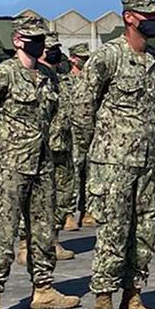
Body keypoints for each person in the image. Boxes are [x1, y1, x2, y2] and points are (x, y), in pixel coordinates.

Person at [0, 16, 79, 309]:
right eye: (32, 38)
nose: (39, 43)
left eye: (42, 37)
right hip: (8, 168)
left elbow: (52, 113)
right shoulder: (3, 74)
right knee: (3, 235)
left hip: (41, 165)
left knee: (42, 231)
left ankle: (43, 289)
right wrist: (1, 134)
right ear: (17, 39)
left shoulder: (47, 76)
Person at [73, 0, 155, 309]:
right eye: (147, 15)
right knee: (113, 235)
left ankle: (133, 301)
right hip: (113, 164)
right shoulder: (108, 57)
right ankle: (102, 308)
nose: (153, 20)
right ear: (129, 17)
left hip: (145, 161)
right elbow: (82, 106)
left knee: (144, 234)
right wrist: (93, 151)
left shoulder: (154, 59)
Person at [37, 33, 76, 262]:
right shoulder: (35, 78)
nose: (53, 53)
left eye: (56, 49)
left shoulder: (63, 79)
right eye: (49, 48)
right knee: (39, 198)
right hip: (41, 148)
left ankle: (54, 239)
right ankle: (26, 243)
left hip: (64, 145)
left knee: (63, 195)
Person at [64, 43, 93, 228]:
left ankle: (88, 211)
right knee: (72, 175)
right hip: (71, 134)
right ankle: (68, 213)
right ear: (72, 59)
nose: (85, 62)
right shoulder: (64, 82)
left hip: (90, 132)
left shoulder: (91, 81)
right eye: (82, 58)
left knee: (90, 174)